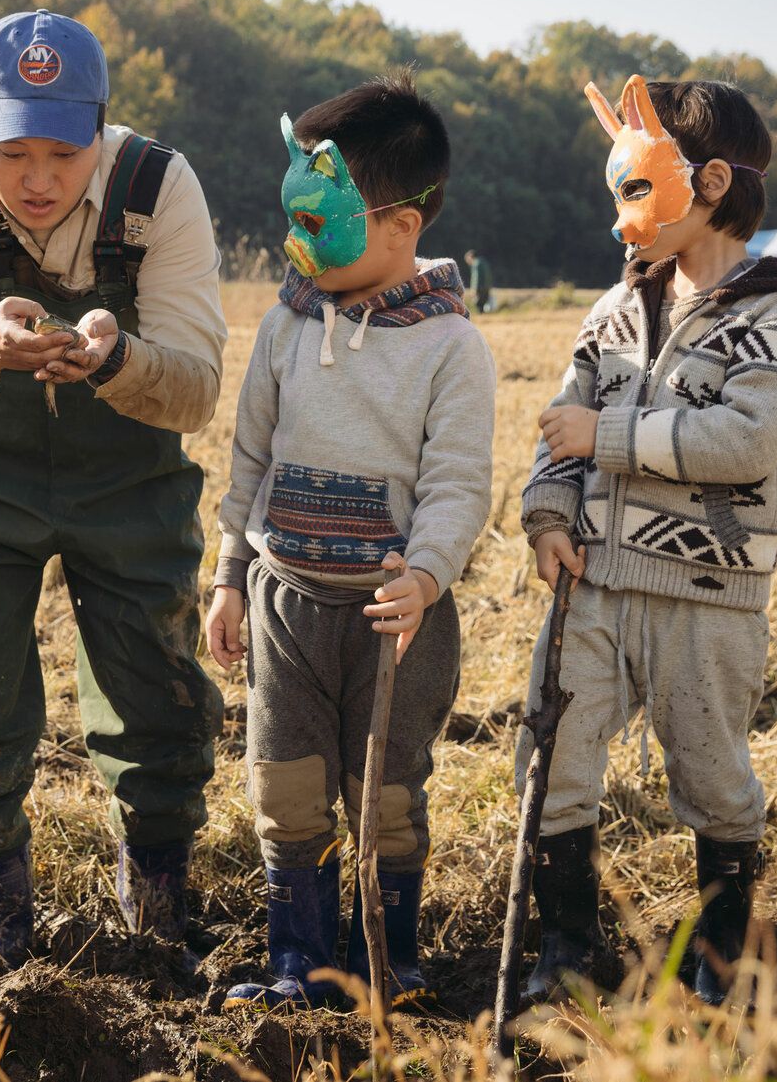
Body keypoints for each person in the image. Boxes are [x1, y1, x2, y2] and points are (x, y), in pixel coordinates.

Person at [0, 10, 227, 965]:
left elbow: (194, 389)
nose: (34, 179)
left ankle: (156, 921)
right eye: (7, 150)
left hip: (130, 475)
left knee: (160, 699)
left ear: (100, 133)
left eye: (61, 153)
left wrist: (119, 360)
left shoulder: (159, 186)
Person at [520, 77, 777, 1007]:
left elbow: (749, 440)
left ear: (706, 184)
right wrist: (547, 515)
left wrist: (610, 440)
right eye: (616, 192)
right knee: (551, 759)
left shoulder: (776, 315)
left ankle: (723, 953)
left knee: (710, 772)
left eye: (636, 190)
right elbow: (559, 421)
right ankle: (566, 949)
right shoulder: (612, 310)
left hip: (706, 593)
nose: (621, 218)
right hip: (590, 585)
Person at [207, 73, 495, 1009]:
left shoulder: (451, 347)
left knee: (386, 794)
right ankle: (297, 960)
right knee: (285, 787)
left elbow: (457, 483)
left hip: (392, 620)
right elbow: (248, 455)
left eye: (320, 220)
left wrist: (426, 574)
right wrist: (227, 577)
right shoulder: (286, 322)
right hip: (284, 604)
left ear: (400, 225)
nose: (297, 241)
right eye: (292, 215)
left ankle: (388, 959)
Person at [464, 247, 494, 313]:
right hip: (487, 286)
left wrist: (474, 289)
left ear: (471, 256)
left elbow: (476, 277)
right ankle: (484, 318)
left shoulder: (476, 264)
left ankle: (481, 319)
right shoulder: (483, 262)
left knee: (478, 304)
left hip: (480, 287)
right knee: (483, 304)